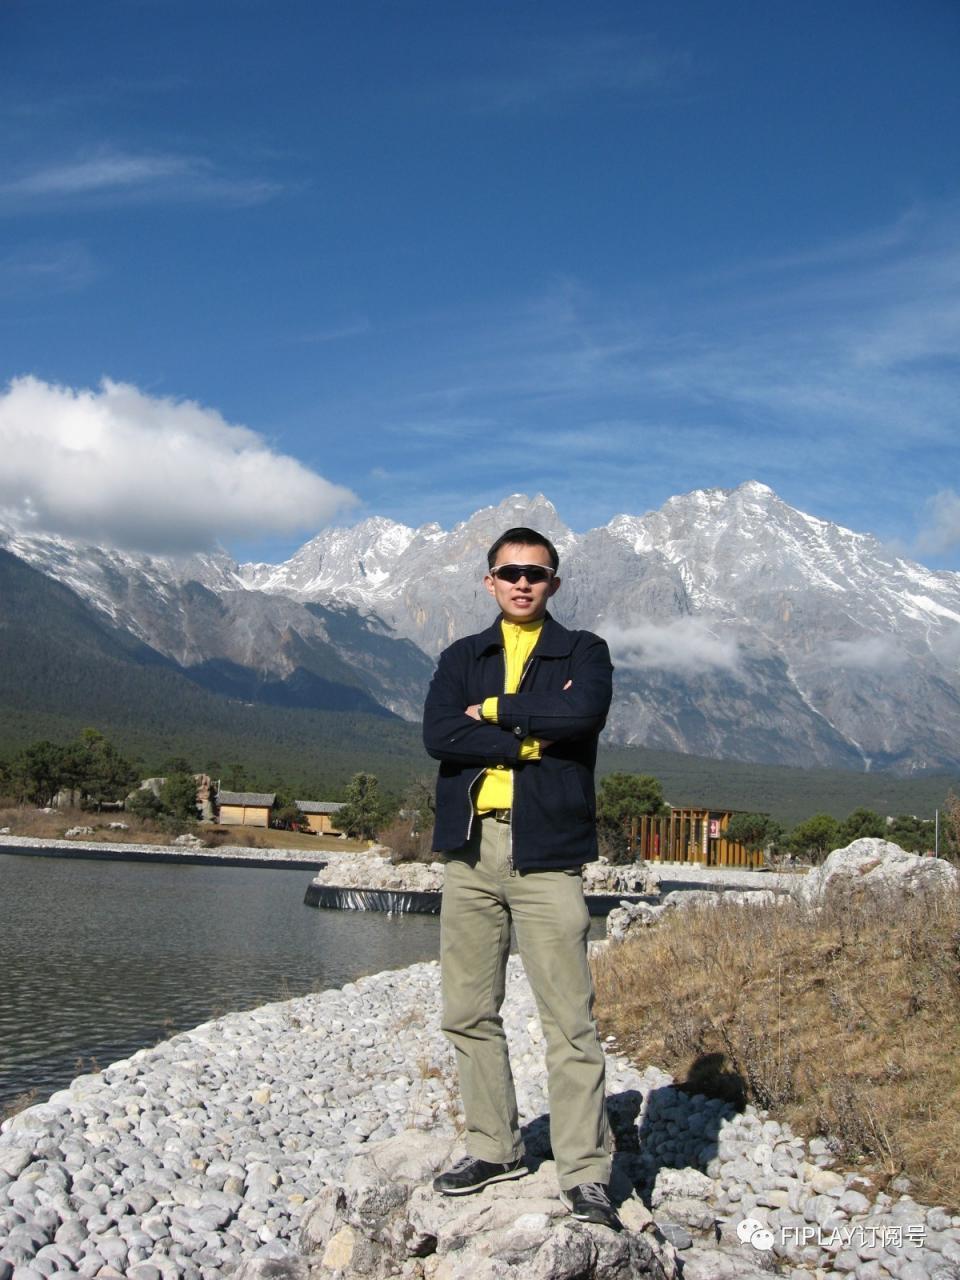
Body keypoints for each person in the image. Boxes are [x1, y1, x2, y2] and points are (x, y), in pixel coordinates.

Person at [422, 526, 621, 1230]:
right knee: (468, 1011)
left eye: (535, 572)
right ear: (490, 581)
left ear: (553, 583)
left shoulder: (584, 651)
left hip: (548, 852)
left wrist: (497, 712)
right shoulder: (462, 655)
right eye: (509, 572)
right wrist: (537, 738)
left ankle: (585, 1172)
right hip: (470, 851)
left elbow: (584, 713)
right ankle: (494, 1148)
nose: (522, 582)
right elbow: (439, 734)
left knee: (569, 1020)